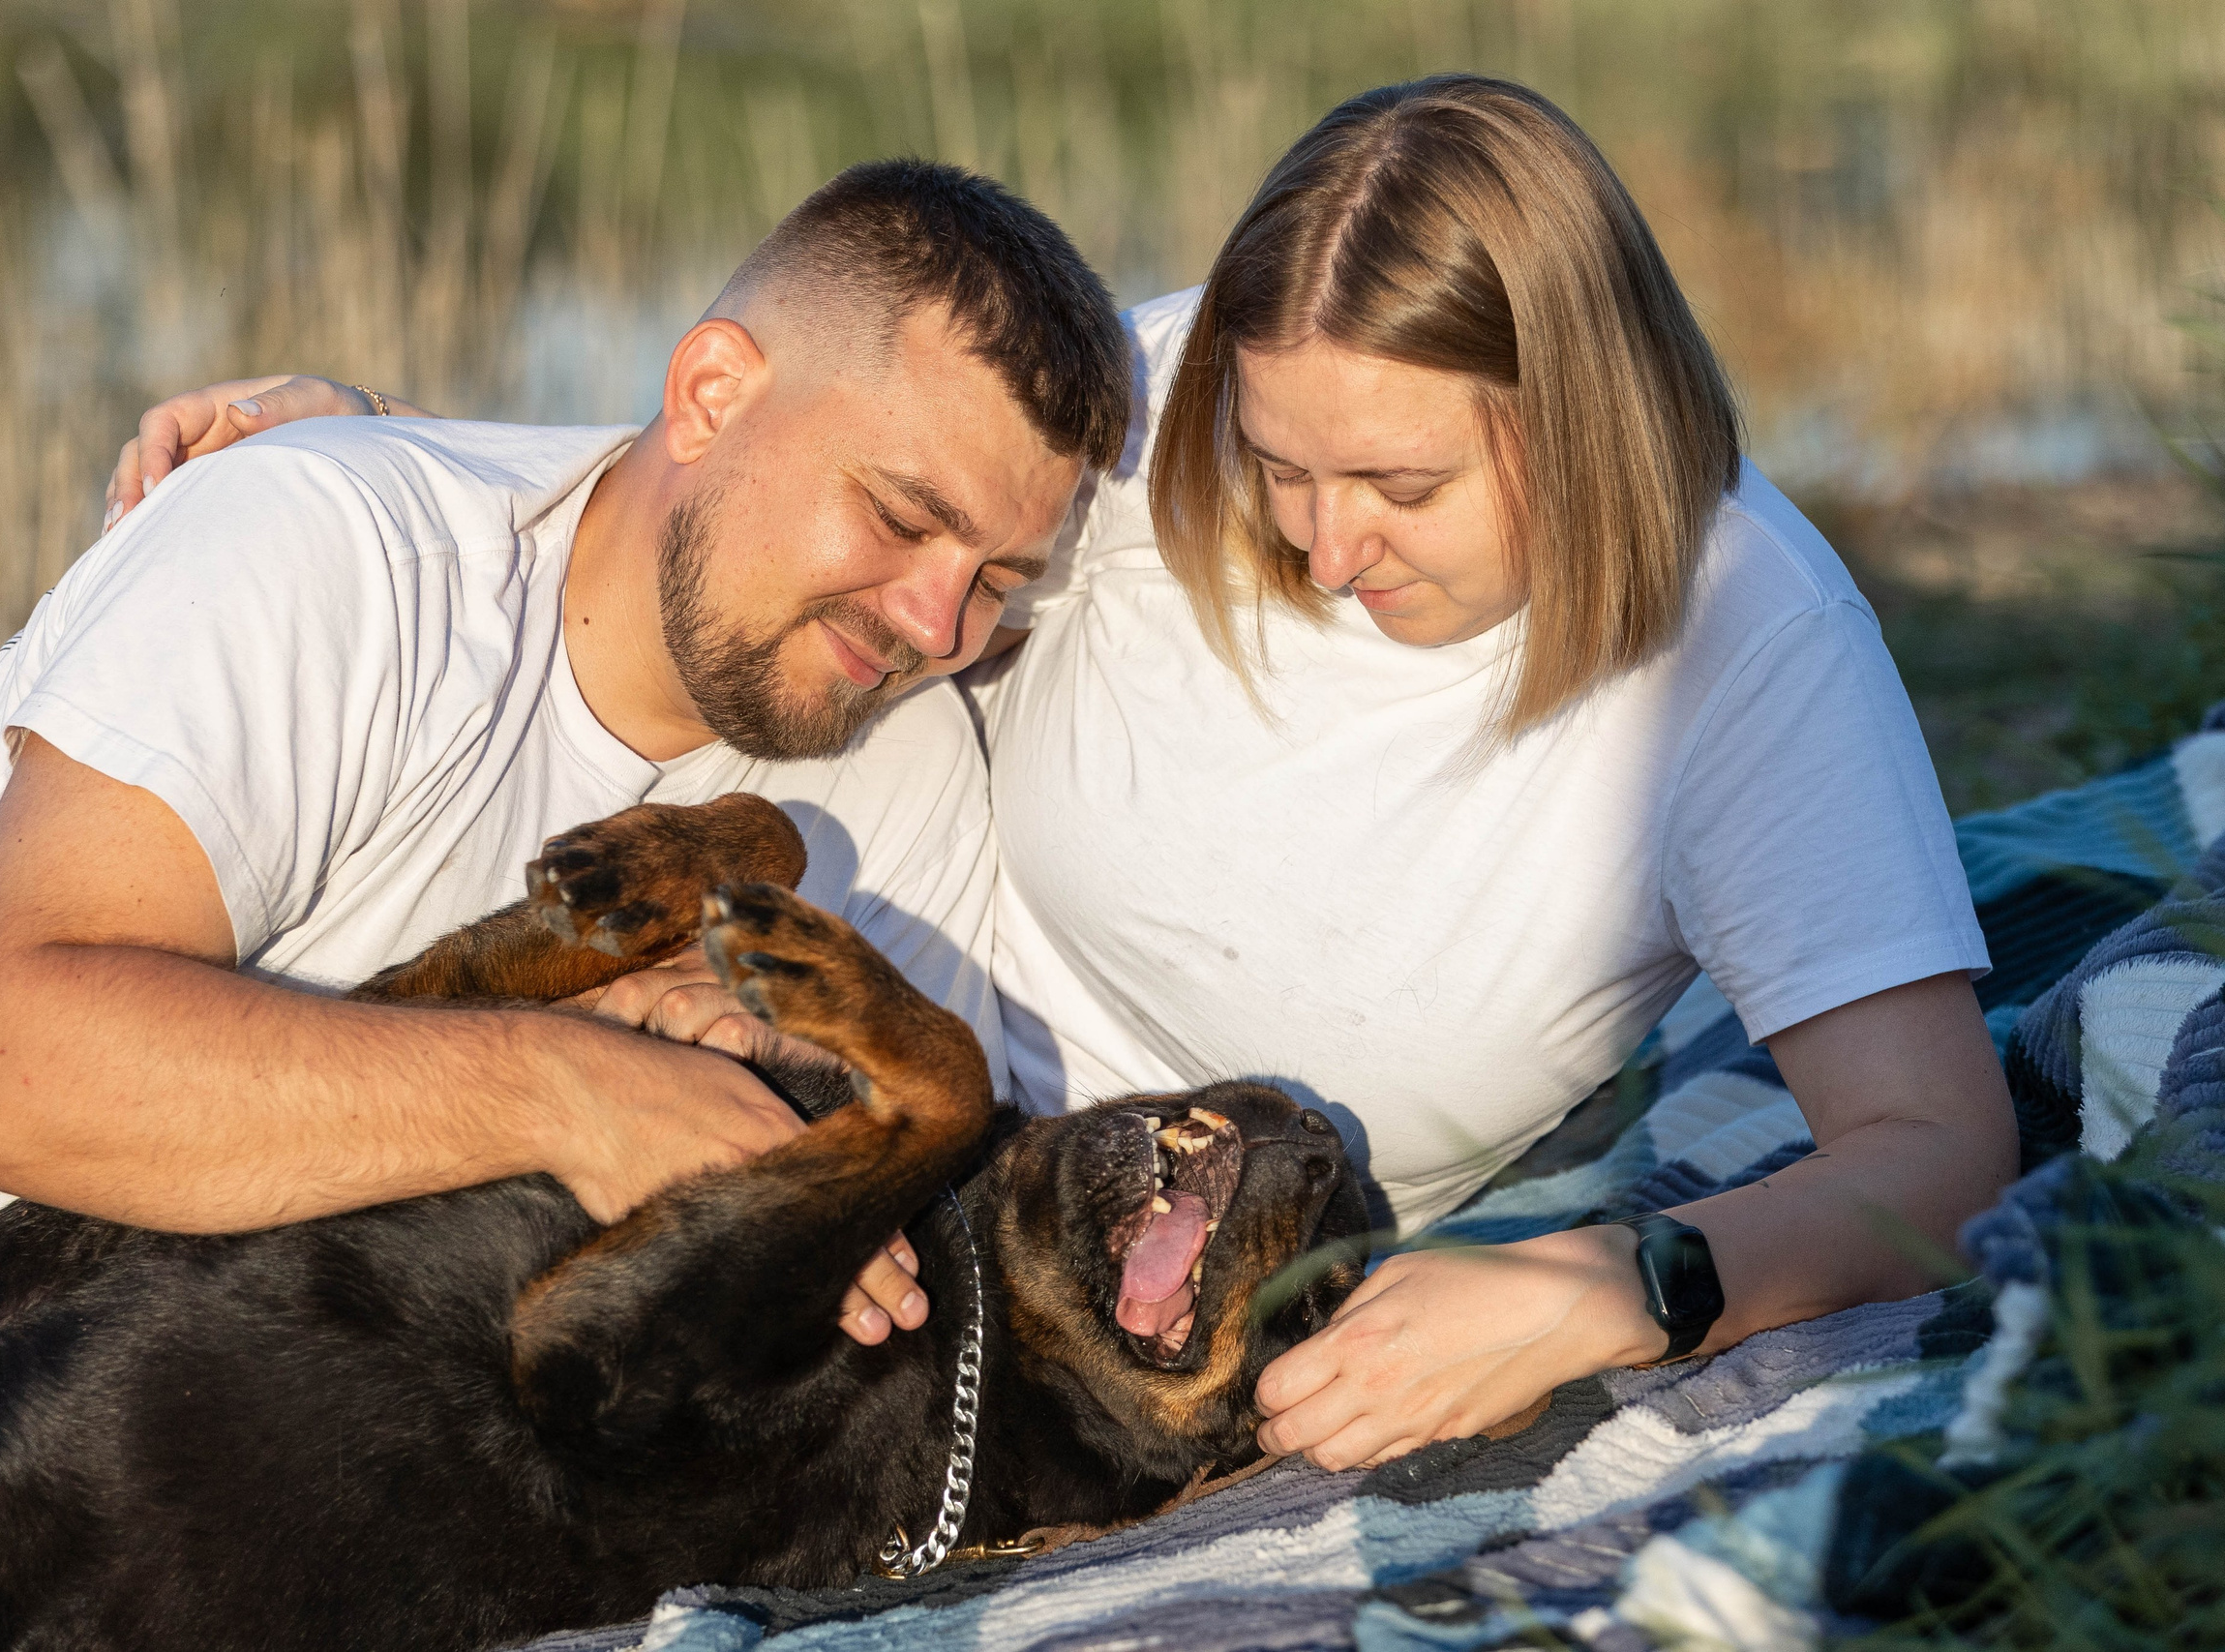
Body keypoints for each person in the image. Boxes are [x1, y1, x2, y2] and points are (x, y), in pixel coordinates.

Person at [110, 76, 2018, 1477]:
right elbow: (816, 454)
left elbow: (1933, 1145)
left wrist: (1621, 1280)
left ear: (1585, 418)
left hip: (1129, 1324)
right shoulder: (1170, 402)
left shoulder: (1742, 652)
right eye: (1279, 466)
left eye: (1404, 488)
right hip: (836, 1061)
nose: (1324, 540)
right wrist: (393, 468)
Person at [0, 160, 1130, 1344]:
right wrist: (569, 1087)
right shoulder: (332, 542)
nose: (934, 622)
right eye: (899, 517)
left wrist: (762, 1097)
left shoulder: (907, 788)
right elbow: (0, 1068)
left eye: (999, 578)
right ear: (711, 394)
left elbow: (891, 1223)